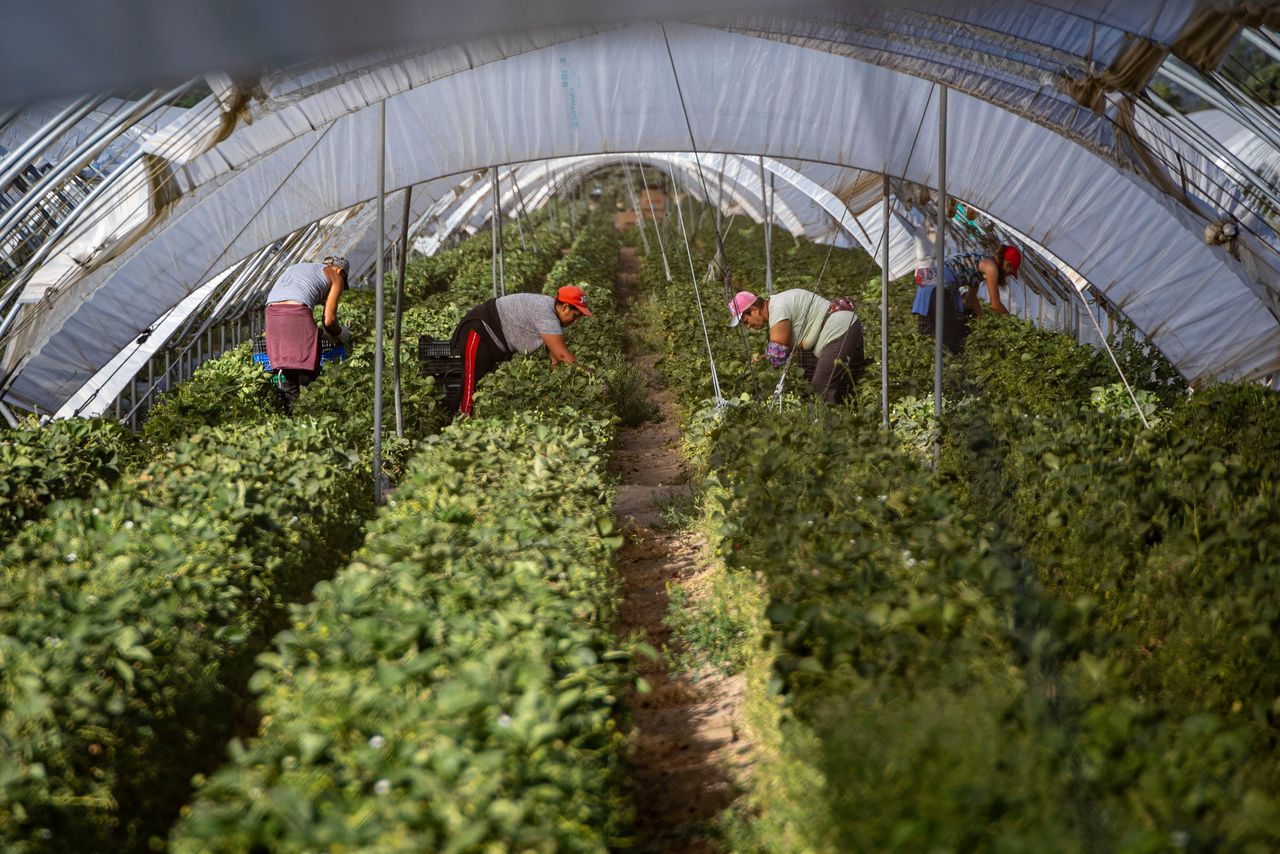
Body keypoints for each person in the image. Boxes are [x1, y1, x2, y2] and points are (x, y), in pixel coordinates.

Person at [450, 284, 593, 416]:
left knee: (482, 385)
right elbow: (561, 355)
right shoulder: (546, 315)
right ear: (565, 307)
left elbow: (555, 357)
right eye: (576, 316)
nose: (576, 321)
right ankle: (458, 425)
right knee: (471, 386)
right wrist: (589, 375)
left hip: (494, 340)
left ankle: (457, 417)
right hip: (479, 330)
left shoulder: (551, 313)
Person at [728, 286, 866, 404]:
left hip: (839, 330)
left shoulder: (777, 309)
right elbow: (787, 349)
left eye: (746, 321)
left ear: (754, 310)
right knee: (845, 388)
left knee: (820, 388)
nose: (748, 326)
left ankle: (826, 430)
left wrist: (761, 364)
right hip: (845, 327)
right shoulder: (777, 303)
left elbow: (777, 356)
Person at [264, 256, 349, 413]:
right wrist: (340, 333)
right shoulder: (336, 275)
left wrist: (321, 334)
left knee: (287, 370)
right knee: (306, 373)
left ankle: (290, 418)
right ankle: (307, 417)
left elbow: (292, 302)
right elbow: (329, 321)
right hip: (296, 313)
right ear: (340, 271)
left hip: (271, 313)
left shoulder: (298, 267)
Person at [912, 245, 1021, 352]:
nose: (1008, 274)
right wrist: (1012, 324)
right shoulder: (991, 268)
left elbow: (971, 298)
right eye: (1011, 271)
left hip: (929, 289)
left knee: (931, 339)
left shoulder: (982, 261)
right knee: (952, 343)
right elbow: (995, 304)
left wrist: (982, 322)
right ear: (1008, 264)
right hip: (937, 291)